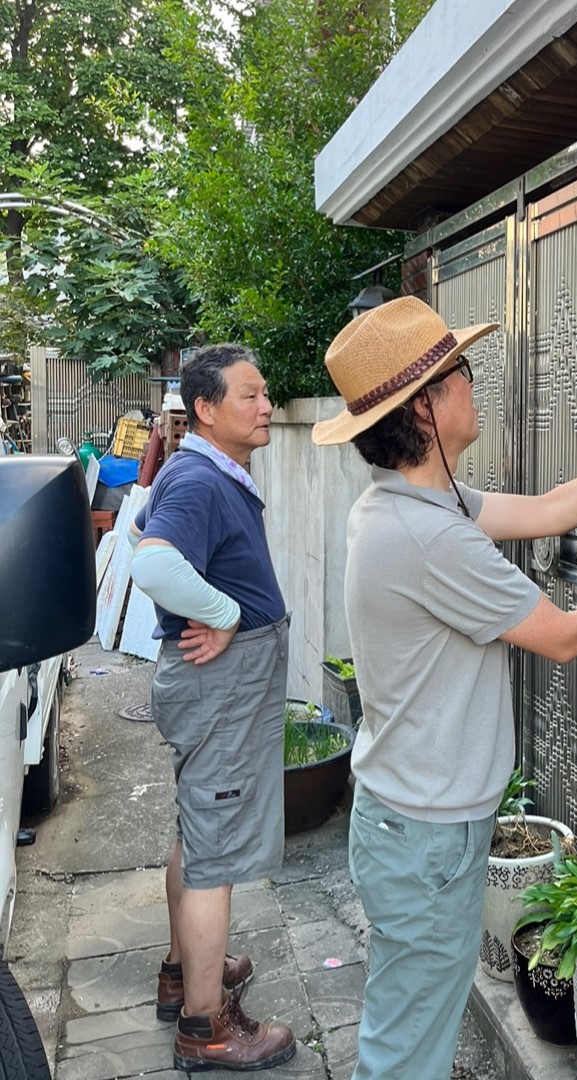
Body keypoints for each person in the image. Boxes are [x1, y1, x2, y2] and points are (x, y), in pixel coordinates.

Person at [310, 295, 577, 1080]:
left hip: (411, 821)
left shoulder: (411, 504)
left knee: (411, 1026)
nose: (476, 385)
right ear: (427, 406)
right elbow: (563, 638)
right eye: (463, 373)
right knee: (407, 1052)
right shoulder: (430, 537)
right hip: (425, 835)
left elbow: (547, 510)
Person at [130, 344, 296, 1072]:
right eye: (251, 396)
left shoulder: (198, 470)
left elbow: (141, 530)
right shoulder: (198, 476)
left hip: (219, 688)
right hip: (219, 687)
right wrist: (226, 611)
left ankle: (183, 967)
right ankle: (207, 1028)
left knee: (198, 833)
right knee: (213, 854)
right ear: (206, 408)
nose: (267, 407)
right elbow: (151, 561)